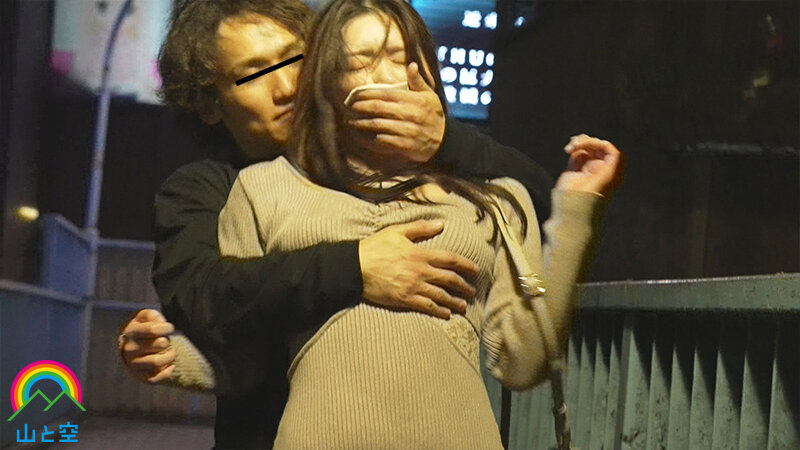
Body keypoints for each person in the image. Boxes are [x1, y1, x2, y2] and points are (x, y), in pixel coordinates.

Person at [158, 0, 623, 447]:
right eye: (360, 61)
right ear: (329, 78)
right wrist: (175, 357)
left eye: (401, 58)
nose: (285, 86)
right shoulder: (254, 189)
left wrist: (575, 210)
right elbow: (231, 323)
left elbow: (525, 353)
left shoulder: (490, 196)